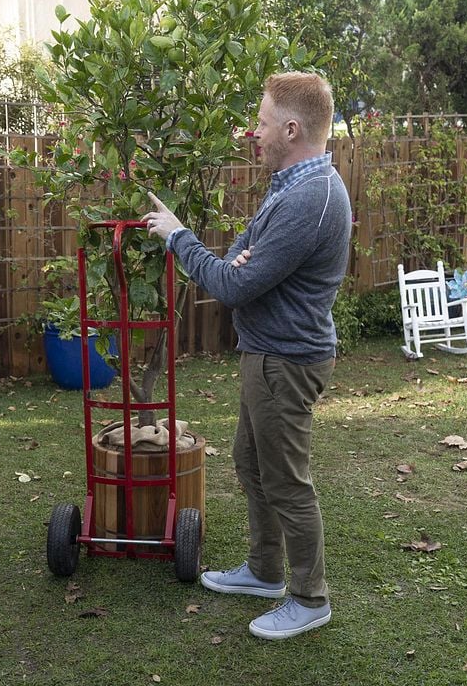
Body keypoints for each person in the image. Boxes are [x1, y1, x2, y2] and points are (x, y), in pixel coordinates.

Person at [144, 72, 351, 640]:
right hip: (267, 355)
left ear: (291, 127)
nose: (252, 133)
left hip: (287, 361)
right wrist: (231, 262)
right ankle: (264, 571)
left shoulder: (310, 196)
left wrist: (178, 236)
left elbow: (232, 285)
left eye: (261, 123)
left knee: (286, 481)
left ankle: (310, 598)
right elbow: (239, 257)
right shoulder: (289, 184)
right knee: (250, 462)